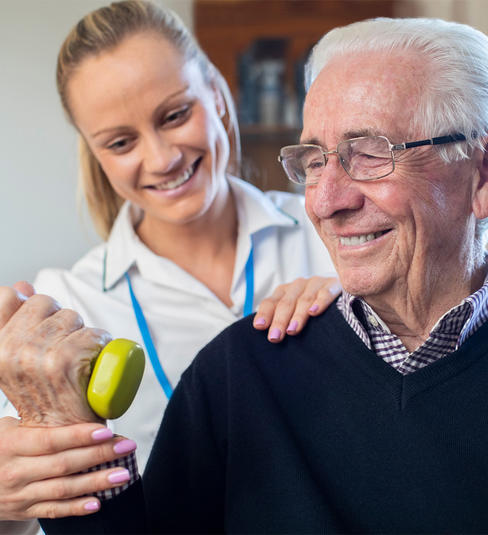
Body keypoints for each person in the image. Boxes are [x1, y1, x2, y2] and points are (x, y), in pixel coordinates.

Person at [2, 14, 488, 534]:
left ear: (484, 171)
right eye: (315, 160)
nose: (324, 203)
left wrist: (359, 288)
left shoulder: (341, 253)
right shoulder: (81, 312)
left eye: (370, 153)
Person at [0, 0, 340, 531]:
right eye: (120, 142)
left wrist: (362, 309)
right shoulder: (67, 307)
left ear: (217, 92)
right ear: (95, 153)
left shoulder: (335, 235)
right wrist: (10, 494)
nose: (161, 159)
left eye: (176, 114)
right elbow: (30, 519)